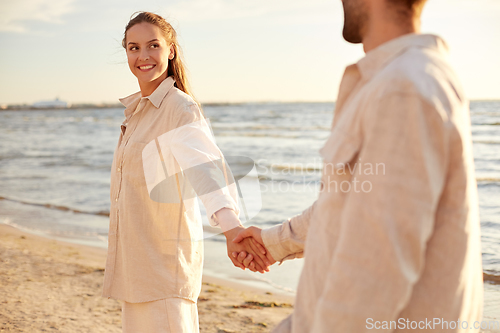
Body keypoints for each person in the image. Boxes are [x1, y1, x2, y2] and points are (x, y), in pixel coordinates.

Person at [232, 0, 484, 331]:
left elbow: (378, 264)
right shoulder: (398, 78)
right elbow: (350, 205)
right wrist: (272, 241)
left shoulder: (402, 87)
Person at [101, 11, 270, 333]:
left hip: (165, 269)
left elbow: (206, 171)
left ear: (171, 50)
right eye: (133, 48)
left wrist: (232, 230)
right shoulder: (137, 112)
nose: (143, 56)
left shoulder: (179, 108)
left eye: (153, 45)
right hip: (136, 264)